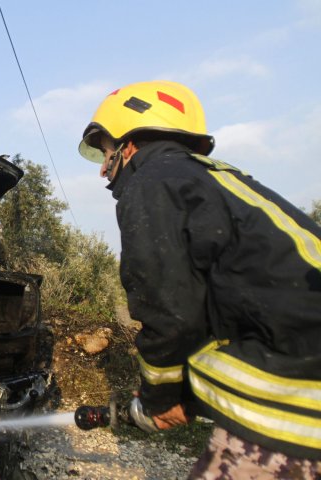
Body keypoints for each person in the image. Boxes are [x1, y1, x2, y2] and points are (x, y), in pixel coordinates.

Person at [78, 80, 321, 479]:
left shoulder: (154, 182)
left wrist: (160, 396)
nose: (104, 169)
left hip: (297, 404)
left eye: (106, 153)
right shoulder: (218, 180)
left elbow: (168, 308)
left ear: (130, 145)